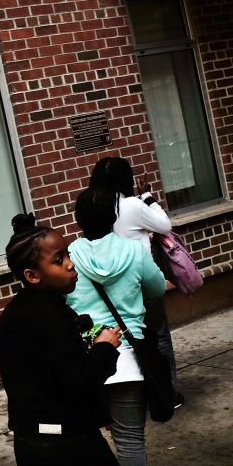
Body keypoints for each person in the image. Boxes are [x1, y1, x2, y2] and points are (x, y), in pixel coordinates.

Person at [0, 213, 132, 466]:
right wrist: (105, 347)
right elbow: (79, 382)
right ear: (32, 275)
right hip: (70, 441)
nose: (70, 264)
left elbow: (37, 375)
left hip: (28, 440)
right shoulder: (53, 318)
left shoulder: (13, 314)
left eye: (68, 254)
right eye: (58, 260)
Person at [66, 186, 166, 466]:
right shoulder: (135, 252)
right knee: (130, 440)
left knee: (85, 438)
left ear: (78, 219)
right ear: (114, 217)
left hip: (86, 361)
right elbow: (157, 290)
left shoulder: (68, 259)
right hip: (127, 361)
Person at [89, 156, 184, 406]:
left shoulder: (96, 207)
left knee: (128, 338)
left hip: (112, 286)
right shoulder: (131, 204)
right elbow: (165, 224)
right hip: (142, 280)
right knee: (159, 336)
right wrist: (148, 196)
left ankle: (135, 392)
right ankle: (167, 392)